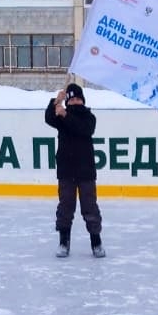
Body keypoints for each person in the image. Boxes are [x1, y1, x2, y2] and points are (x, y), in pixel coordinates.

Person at [45, 82, 104, 258]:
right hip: (66, 171)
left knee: (90, 208)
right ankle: (64, 242)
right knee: (65, 208)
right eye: (72, 99)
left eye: (78, 99)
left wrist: (64, 114)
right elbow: (49, 118)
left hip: (86, 172)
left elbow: (84, 129)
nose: (75, 102)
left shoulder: (88, 117)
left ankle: (96, 242)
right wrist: (55, 102)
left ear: (83, 101)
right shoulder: (61, 117)